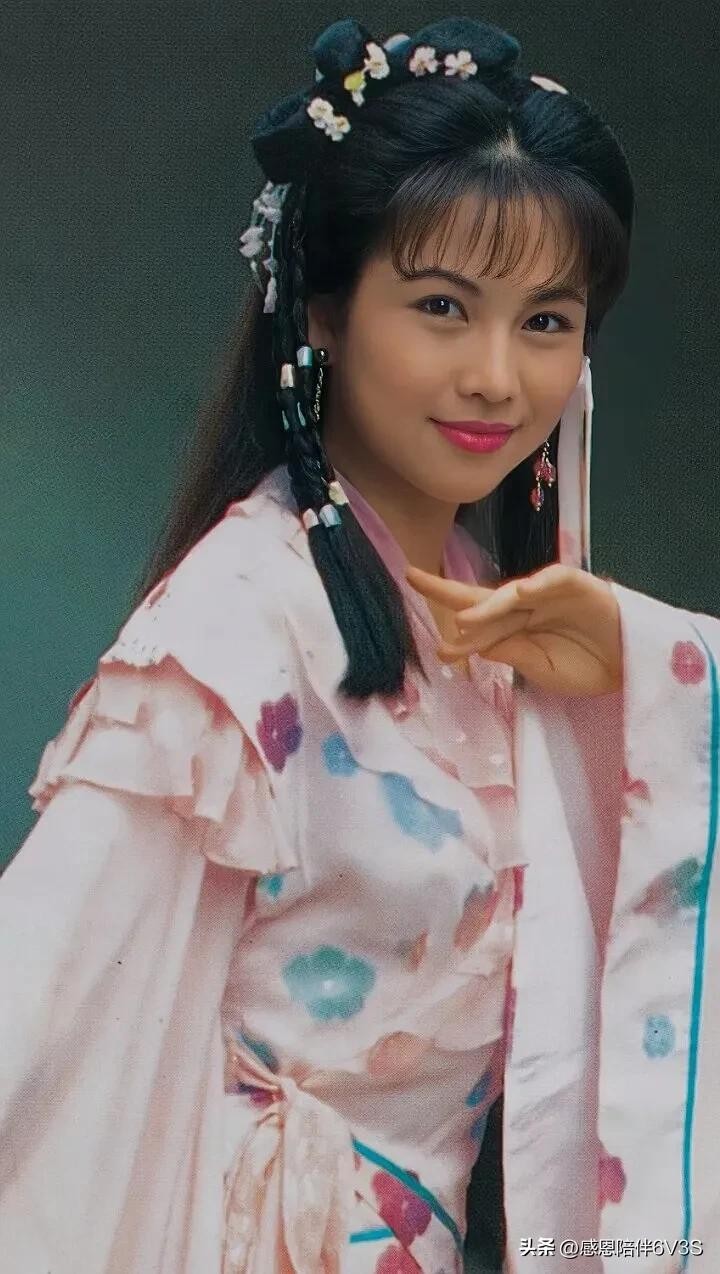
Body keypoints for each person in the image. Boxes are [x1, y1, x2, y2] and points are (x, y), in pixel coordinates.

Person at [0, 14, 717, 1274]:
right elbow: (39, 988)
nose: (496, 376)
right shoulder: (236, 616)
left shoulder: (508, 616)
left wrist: (633, 673)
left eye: (546, 321)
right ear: (324, 311)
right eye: (442, 306)